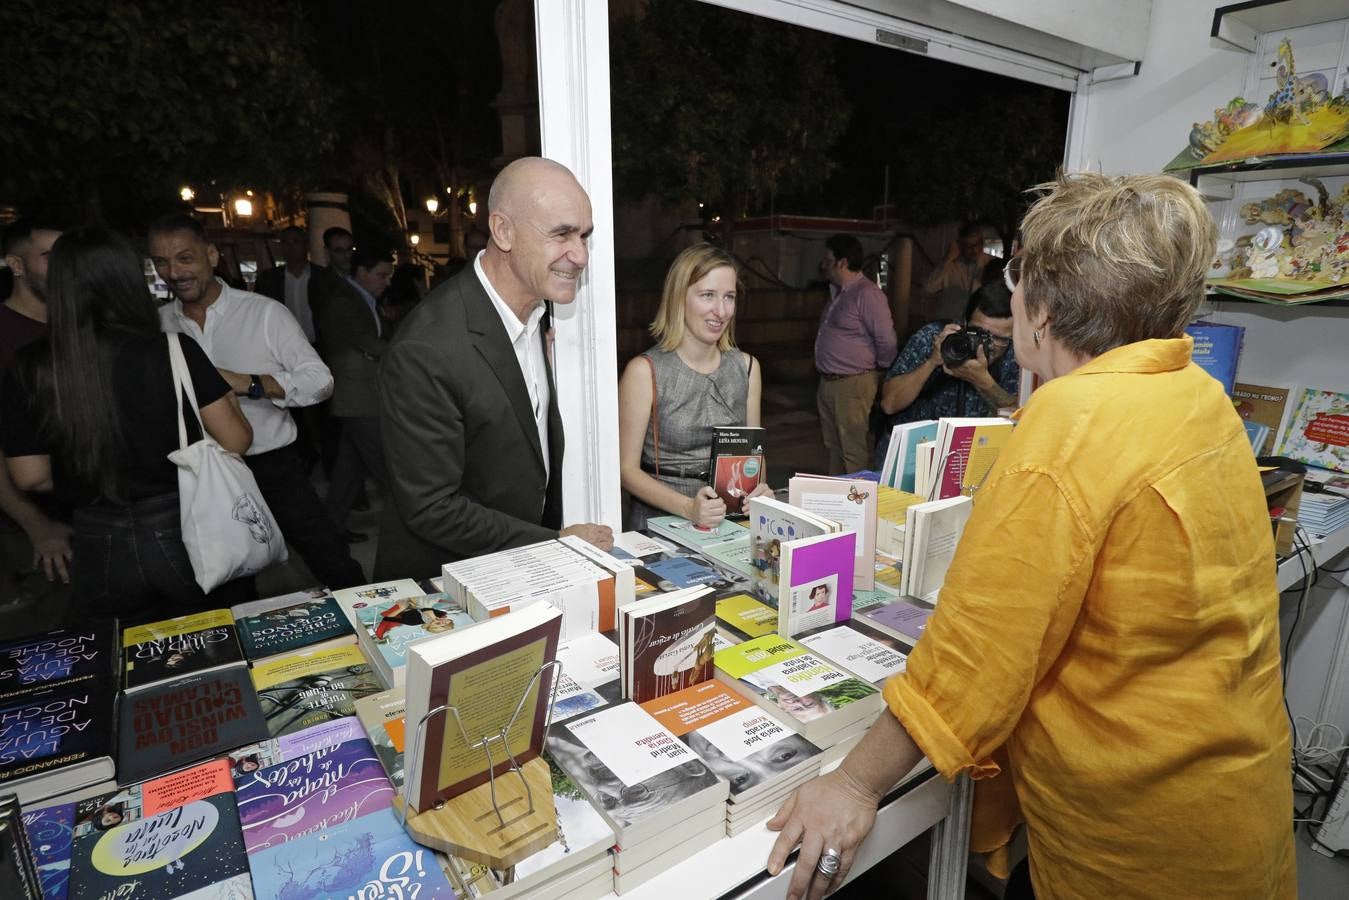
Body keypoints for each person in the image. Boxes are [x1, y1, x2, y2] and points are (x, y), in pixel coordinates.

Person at [765, 173, 1295, 900]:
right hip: (1230, 800)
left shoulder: (1072, 426)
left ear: (1040, 309)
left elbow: (974, 657)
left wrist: (854, 784)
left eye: (1015, 283)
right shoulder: (1193, 391)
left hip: (1133, 838)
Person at [375, 157, 613, 579]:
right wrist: (555, 543)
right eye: (562, 234)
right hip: (447, 589)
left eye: (584, 236)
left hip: (516, 576)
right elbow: (432, 507)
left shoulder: (535, 316)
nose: (580, 255)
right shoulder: (427, 347)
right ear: (503, 231)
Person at [2, 227, 255, 620]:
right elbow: (236, 439)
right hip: (185, 526)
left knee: (122, 659)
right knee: (212, 644)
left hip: (96, 536)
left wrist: (86, 472)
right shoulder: (170, 350)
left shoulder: (29, 365)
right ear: (128, 281)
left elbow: (29, 476)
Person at [150, 214, 365, 591]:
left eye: (185, 258)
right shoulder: (158, 325)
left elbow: (319, 382)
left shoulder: (263, 313)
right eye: (162, 262)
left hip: (273, 467)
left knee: (333, 563)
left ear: (212, 255)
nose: (174, 272)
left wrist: (246, 383)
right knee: (223, 579)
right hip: (198, 474)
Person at [617, 243, 771, 530]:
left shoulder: (748, 368)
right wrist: (689, 508)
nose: (721, 310)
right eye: (708, 295)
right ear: (679, 299)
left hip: (729, 521)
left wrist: (760, 490)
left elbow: (754, 457)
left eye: (729, 297)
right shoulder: (644, 371)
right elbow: (626, 470)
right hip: (661, 523)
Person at [0, 220, 73, 612]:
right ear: (16, 264)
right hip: (39, 531)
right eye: (49, 256)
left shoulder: (76, 325)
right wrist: (35, 524)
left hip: (96, 517)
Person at [875, 278, 1020, 463]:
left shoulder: (1015, 356)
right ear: (963, 323)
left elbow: (1019, 418)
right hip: (910, 454)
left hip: (971, 460)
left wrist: (982, 381)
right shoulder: (933, 337)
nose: (987, 345)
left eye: (998, 339)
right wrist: (933, 361)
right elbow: (889, 403)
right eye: (978, 333)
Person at [319, 245, 393, 541]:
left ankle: (329, 529)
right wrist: (405, 355)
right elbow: (367, 342)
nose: (386, 281)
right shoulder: (342, 300)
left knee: (348, 472)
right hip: (357, 397)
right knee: (388, 469)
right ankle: (410, 528)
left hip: (362, 396)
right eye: (381, 275)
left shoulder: (363, 299)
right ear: (361, 271)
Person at [814, 234, 897, 475]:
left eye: (828, 259)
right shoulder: (839, 292)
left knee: (853, 449)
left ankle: (858, 503)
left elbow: (886, 339)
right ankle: (836, 501)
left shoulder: (867, 293)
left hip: (853, 383)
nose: (823, 264)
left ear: (842, 262)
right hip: (830, 382)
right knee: (834, 447)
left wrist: (879, 368)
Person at [254, 226, 317, 344]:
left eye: (296, 242)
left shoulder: (322, 277)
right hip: (282, 346)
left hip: (319, 349)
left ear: (306, 245)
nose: (291, 247)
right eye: (286, 243)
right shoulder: (268, 279)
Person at [924, 221, 993, 322]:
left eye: (977, 244)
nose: (973, 249)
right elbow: (929, 287)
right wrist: (948, 258)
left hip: (977, 324)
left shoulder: (990, 263)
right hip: (948, 322)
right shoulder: (950, 264)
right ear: (960, 245)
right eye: (969, 245)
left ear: (982, 244)